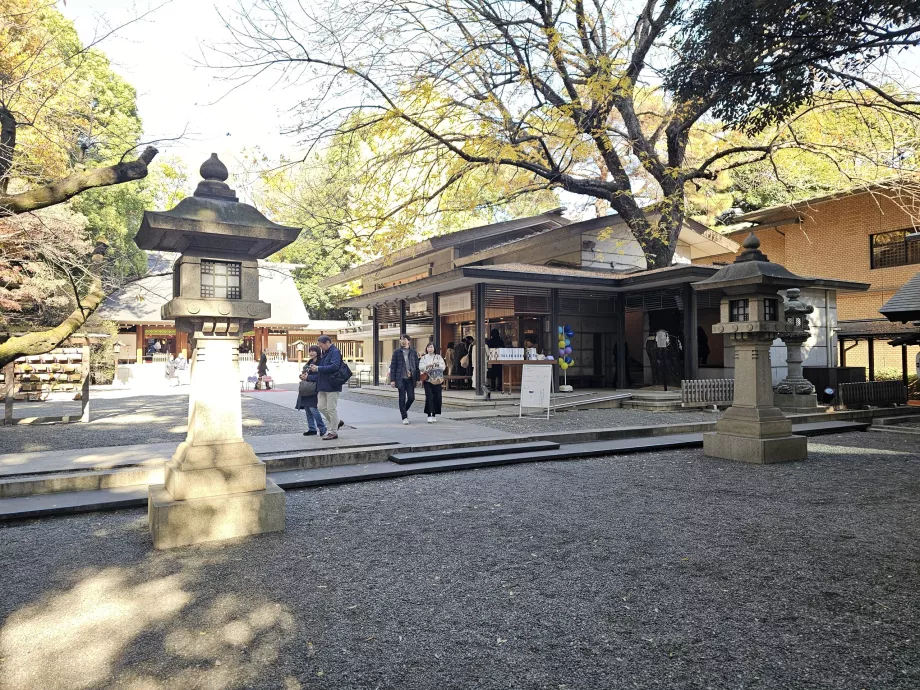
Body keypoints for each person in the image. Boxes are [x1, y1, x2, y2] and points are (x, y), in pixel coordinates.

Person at [310, 335, 346, 440]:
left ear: (327, 342)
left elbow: (334, 366)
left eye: (321, 345)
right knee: (321, 407)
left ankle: (333, 432)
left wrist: (319, 368)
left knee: (331, 408)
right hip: (323, 384)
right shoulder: (325, 352)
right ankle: (337, 422)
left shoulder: (335, 352)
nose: (321, 348)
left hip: (332, 384)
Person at [389, 333, 420, 424]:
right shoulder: (396, 352)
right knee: (402, 398)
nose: (402, 341)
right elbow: (393, 366)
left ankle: (404, 410)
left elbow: (416, 366)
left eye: (404, 339)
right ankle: (404, 417)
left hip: (410, 379)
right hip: (400, 378)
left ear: (409, 341)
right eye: (401, 339)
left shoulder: (413, 352)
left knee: (411, 397)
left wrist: (417, 379)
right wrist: (392, 380)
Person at [295, 345, 326, 437]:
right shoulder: (309, 362)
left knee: (313, 408)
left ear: (318, 352)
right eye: (310, 351)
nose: (311, 353)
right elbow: (304, 374)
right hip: (306, 389)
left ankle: (322, 427)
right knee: (308, 409)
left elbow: (320, 376)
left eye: (313, 351)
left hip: (314, 388)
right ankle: (312, 428)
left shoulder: (321, 362)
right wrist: (302, 376)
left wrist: (308, 377)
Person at [419, 342, 446, 423]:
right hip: (428, 380)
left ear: (434, 348)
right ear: (426, 349)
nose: (430, 349)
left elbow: (443, 367)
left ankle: (434, 414)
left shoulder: (438, 357)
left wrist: (437, 364)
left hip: (437, 380)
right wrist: (427, 366)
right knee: (429, 397)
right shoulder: (423, 358)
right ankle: (429, 415)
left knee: (437, 397)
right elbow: (420, 367)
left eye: (431, 347)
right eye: (428, 347)